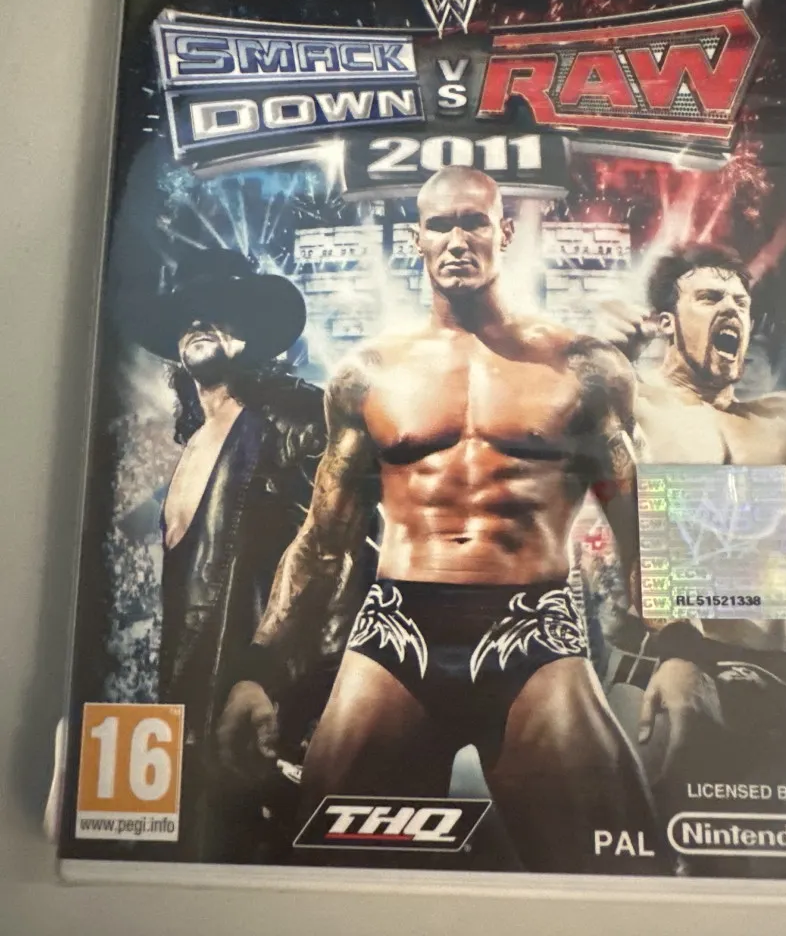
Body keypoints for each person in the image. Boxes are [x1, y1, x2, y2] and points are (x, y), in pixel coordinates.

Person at [218, 167, 666, 874]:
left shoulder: (584, 366)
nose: (458, 239)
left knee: (621, 860)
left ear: (504, 233)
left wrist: (684, 654)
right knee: (321, 857)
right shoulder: (368, 373)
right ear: (416, 239)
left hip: (534, 629)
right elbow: (324, 540)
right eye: (440, 224)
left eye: (474, 222)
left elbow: (642, 521)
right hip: (399, 627)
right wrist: (259, 669)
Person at [590, 244, 786, 824]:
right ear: (667, 322)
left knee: (761, 860)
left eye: (740, 301)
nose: (731, 309)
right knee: (654, 846)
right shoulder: (632, 403)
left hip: (770, 674)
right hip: (657, 665)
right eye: (710, 297)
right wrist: (599, 355)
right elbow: (553, 412)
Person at [136, 247, 331, 861]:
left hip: (264, 710)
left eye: (221, 309)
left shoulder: (296, 416)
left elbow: (338, 558)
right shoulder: (192, 441)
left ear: (252, 333)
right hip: (189, 716)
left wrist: (276, 688)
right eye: (189, 311)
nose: (200, 321)